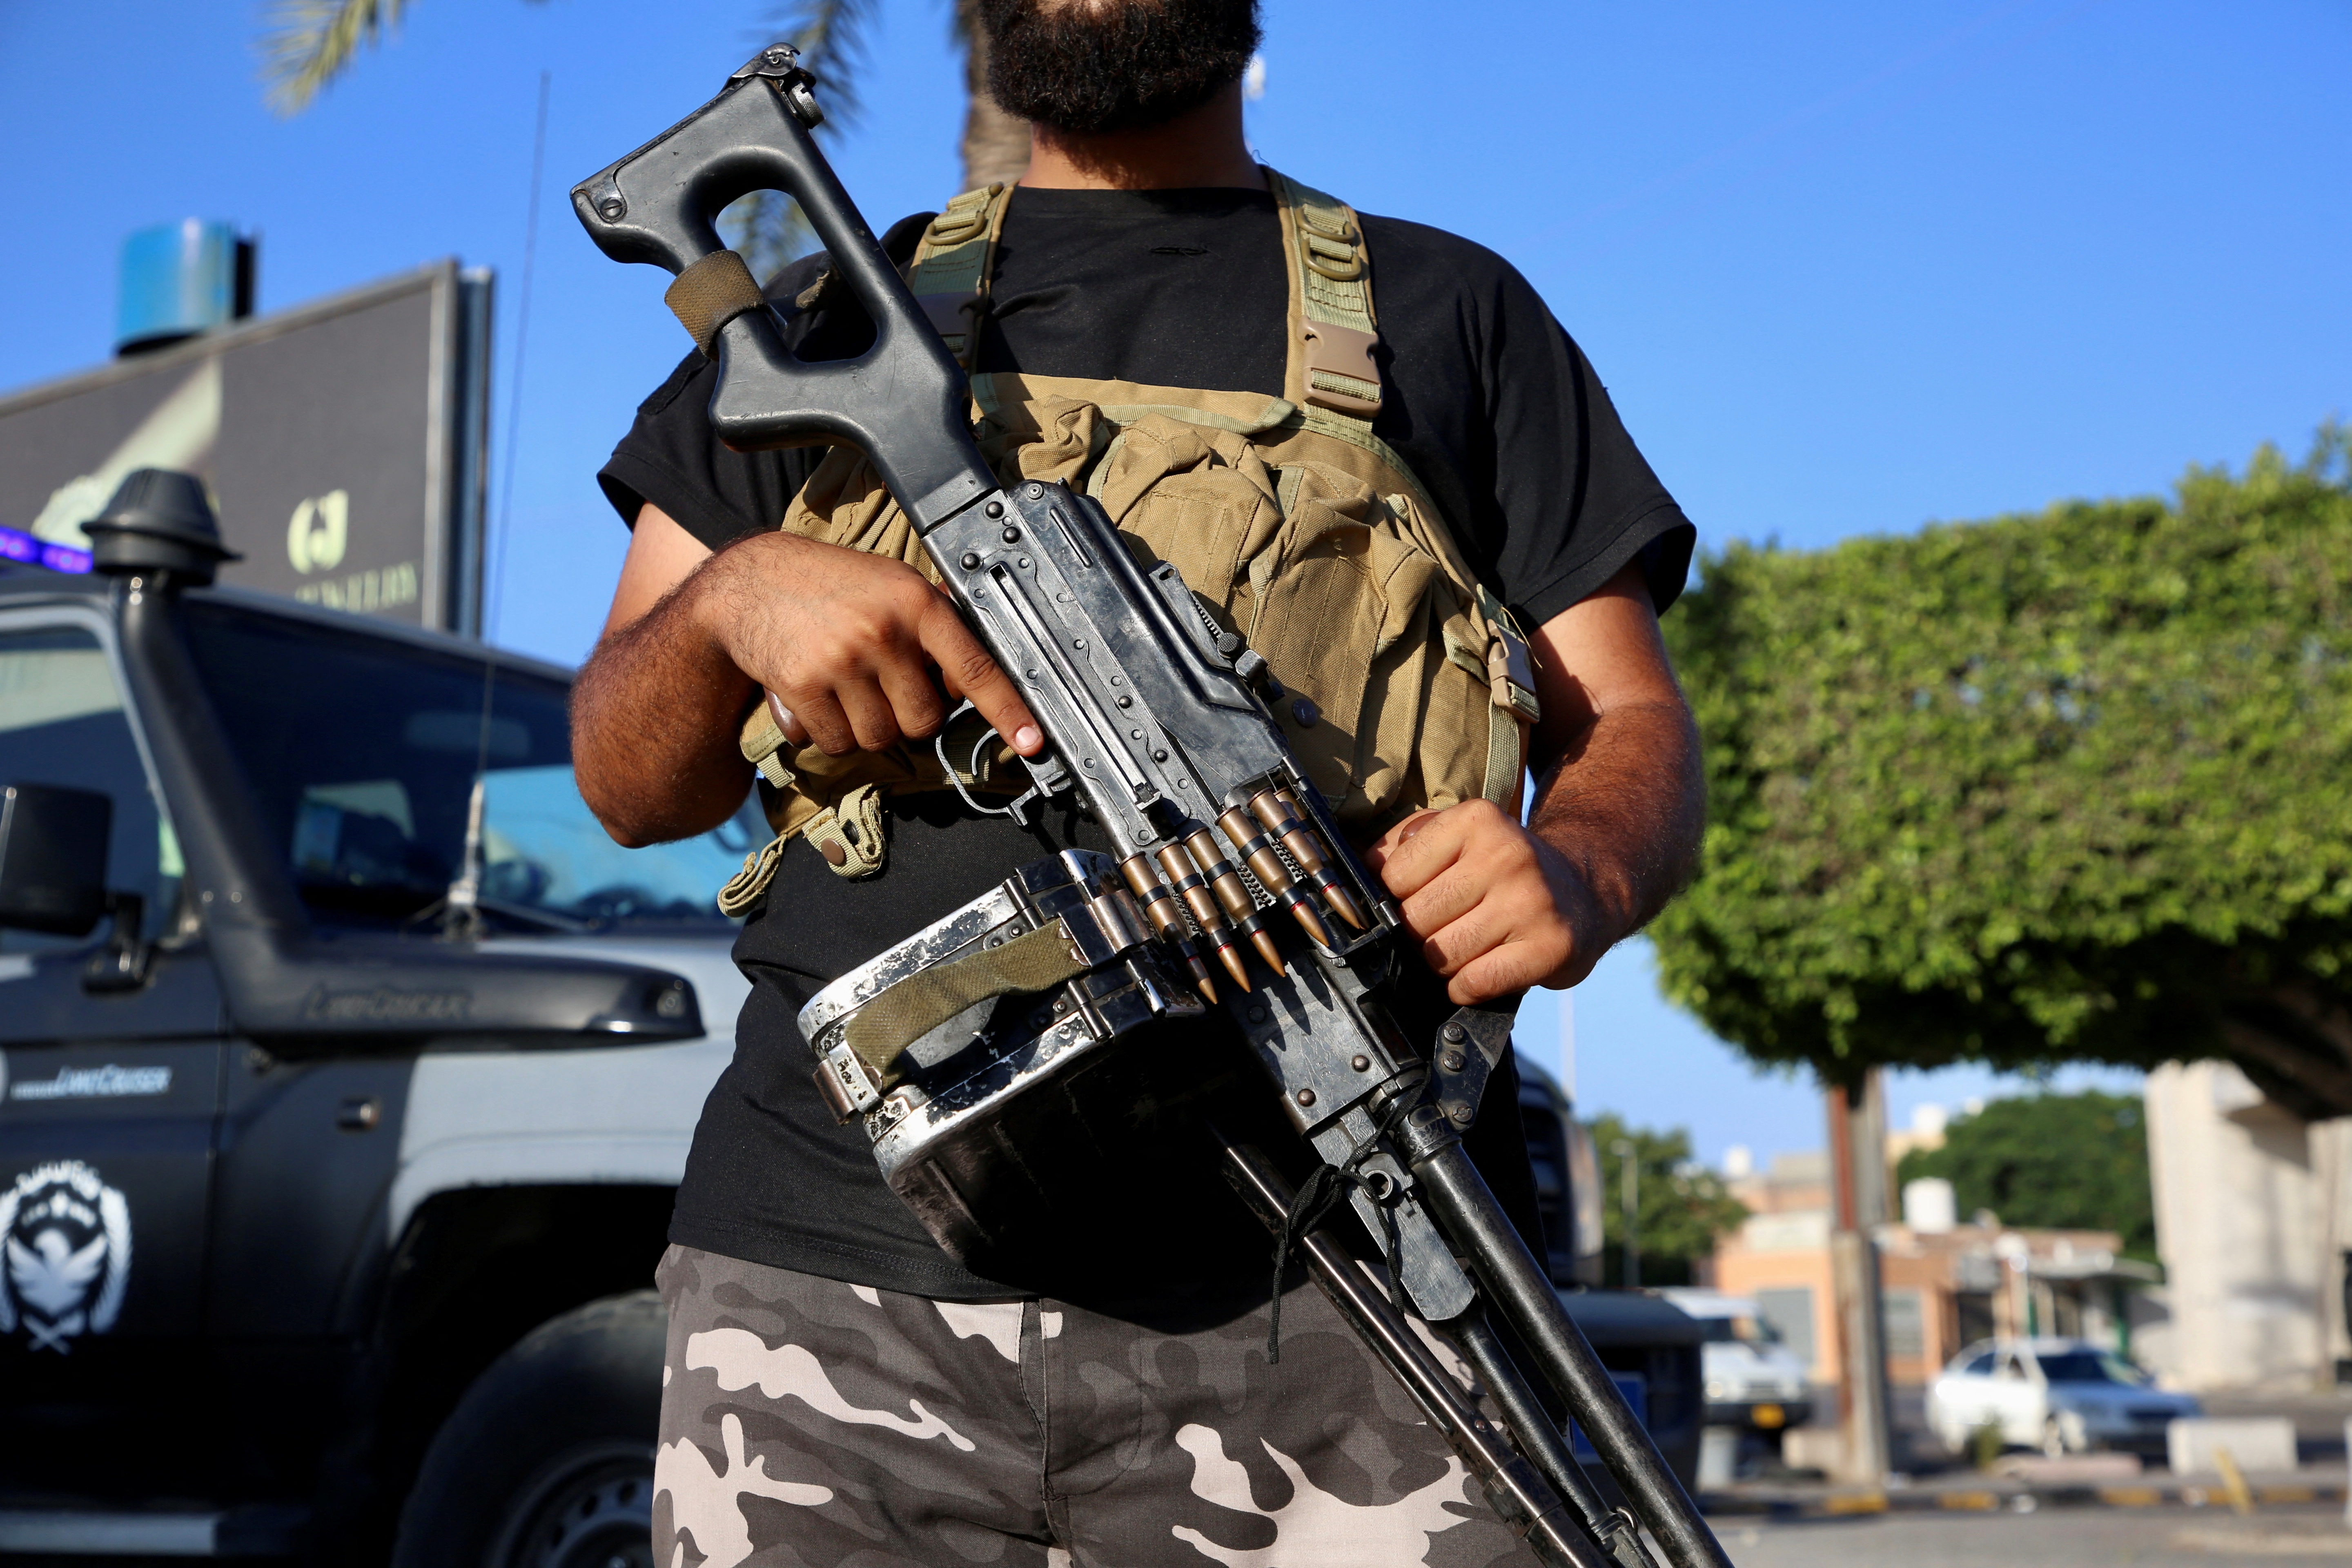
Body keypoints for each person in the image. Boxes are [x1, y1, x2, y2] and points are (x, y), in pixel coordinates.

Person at [577, 0, 1703, 1561]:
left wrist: (1576, 865)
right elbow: (628, 780)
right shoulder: (837, 311)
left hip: (1344, 1304)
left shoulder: (1447, 311)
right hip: (831, 1308)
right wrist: (733, 601)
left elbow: (1630, 719)